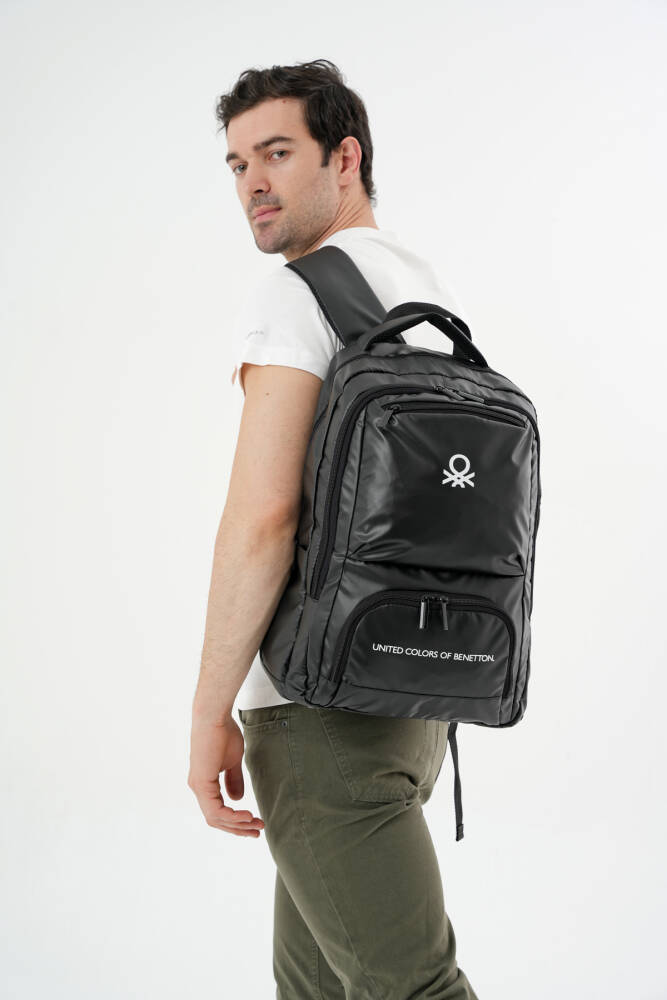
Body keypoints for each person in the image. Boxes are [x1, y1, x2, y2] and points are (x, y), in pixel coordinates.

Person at [188, 58, 479, 999]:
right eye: (237, 164)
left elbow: (262, 518)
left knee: (410, 989)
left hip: (318, 717)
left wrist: (209, 716)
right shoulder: (422, 295)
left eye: (277, 153)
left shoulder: (298, 293)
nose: (253, 183)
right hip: (416, 700)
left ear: (343, 158)